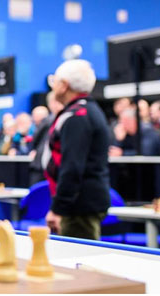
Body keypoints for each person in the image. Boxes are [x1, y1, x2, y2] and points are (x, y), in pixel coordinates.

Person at [43, 60, 110, 240]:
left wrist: (58, 209)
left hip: (79, 207)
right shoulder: (83, 111)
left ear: (64, 85)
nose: (53, 85)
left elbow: (72, 166)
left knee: (77, 263)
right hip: (79, 203)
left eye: (55, 81)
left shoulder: (77, 116)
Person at [28, 92, 63, 185]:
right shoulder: (56, 119)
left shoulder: (49, 120)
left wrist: (34, 149)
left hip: (42, 164)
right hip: (49, 164)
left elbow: (35, 138)